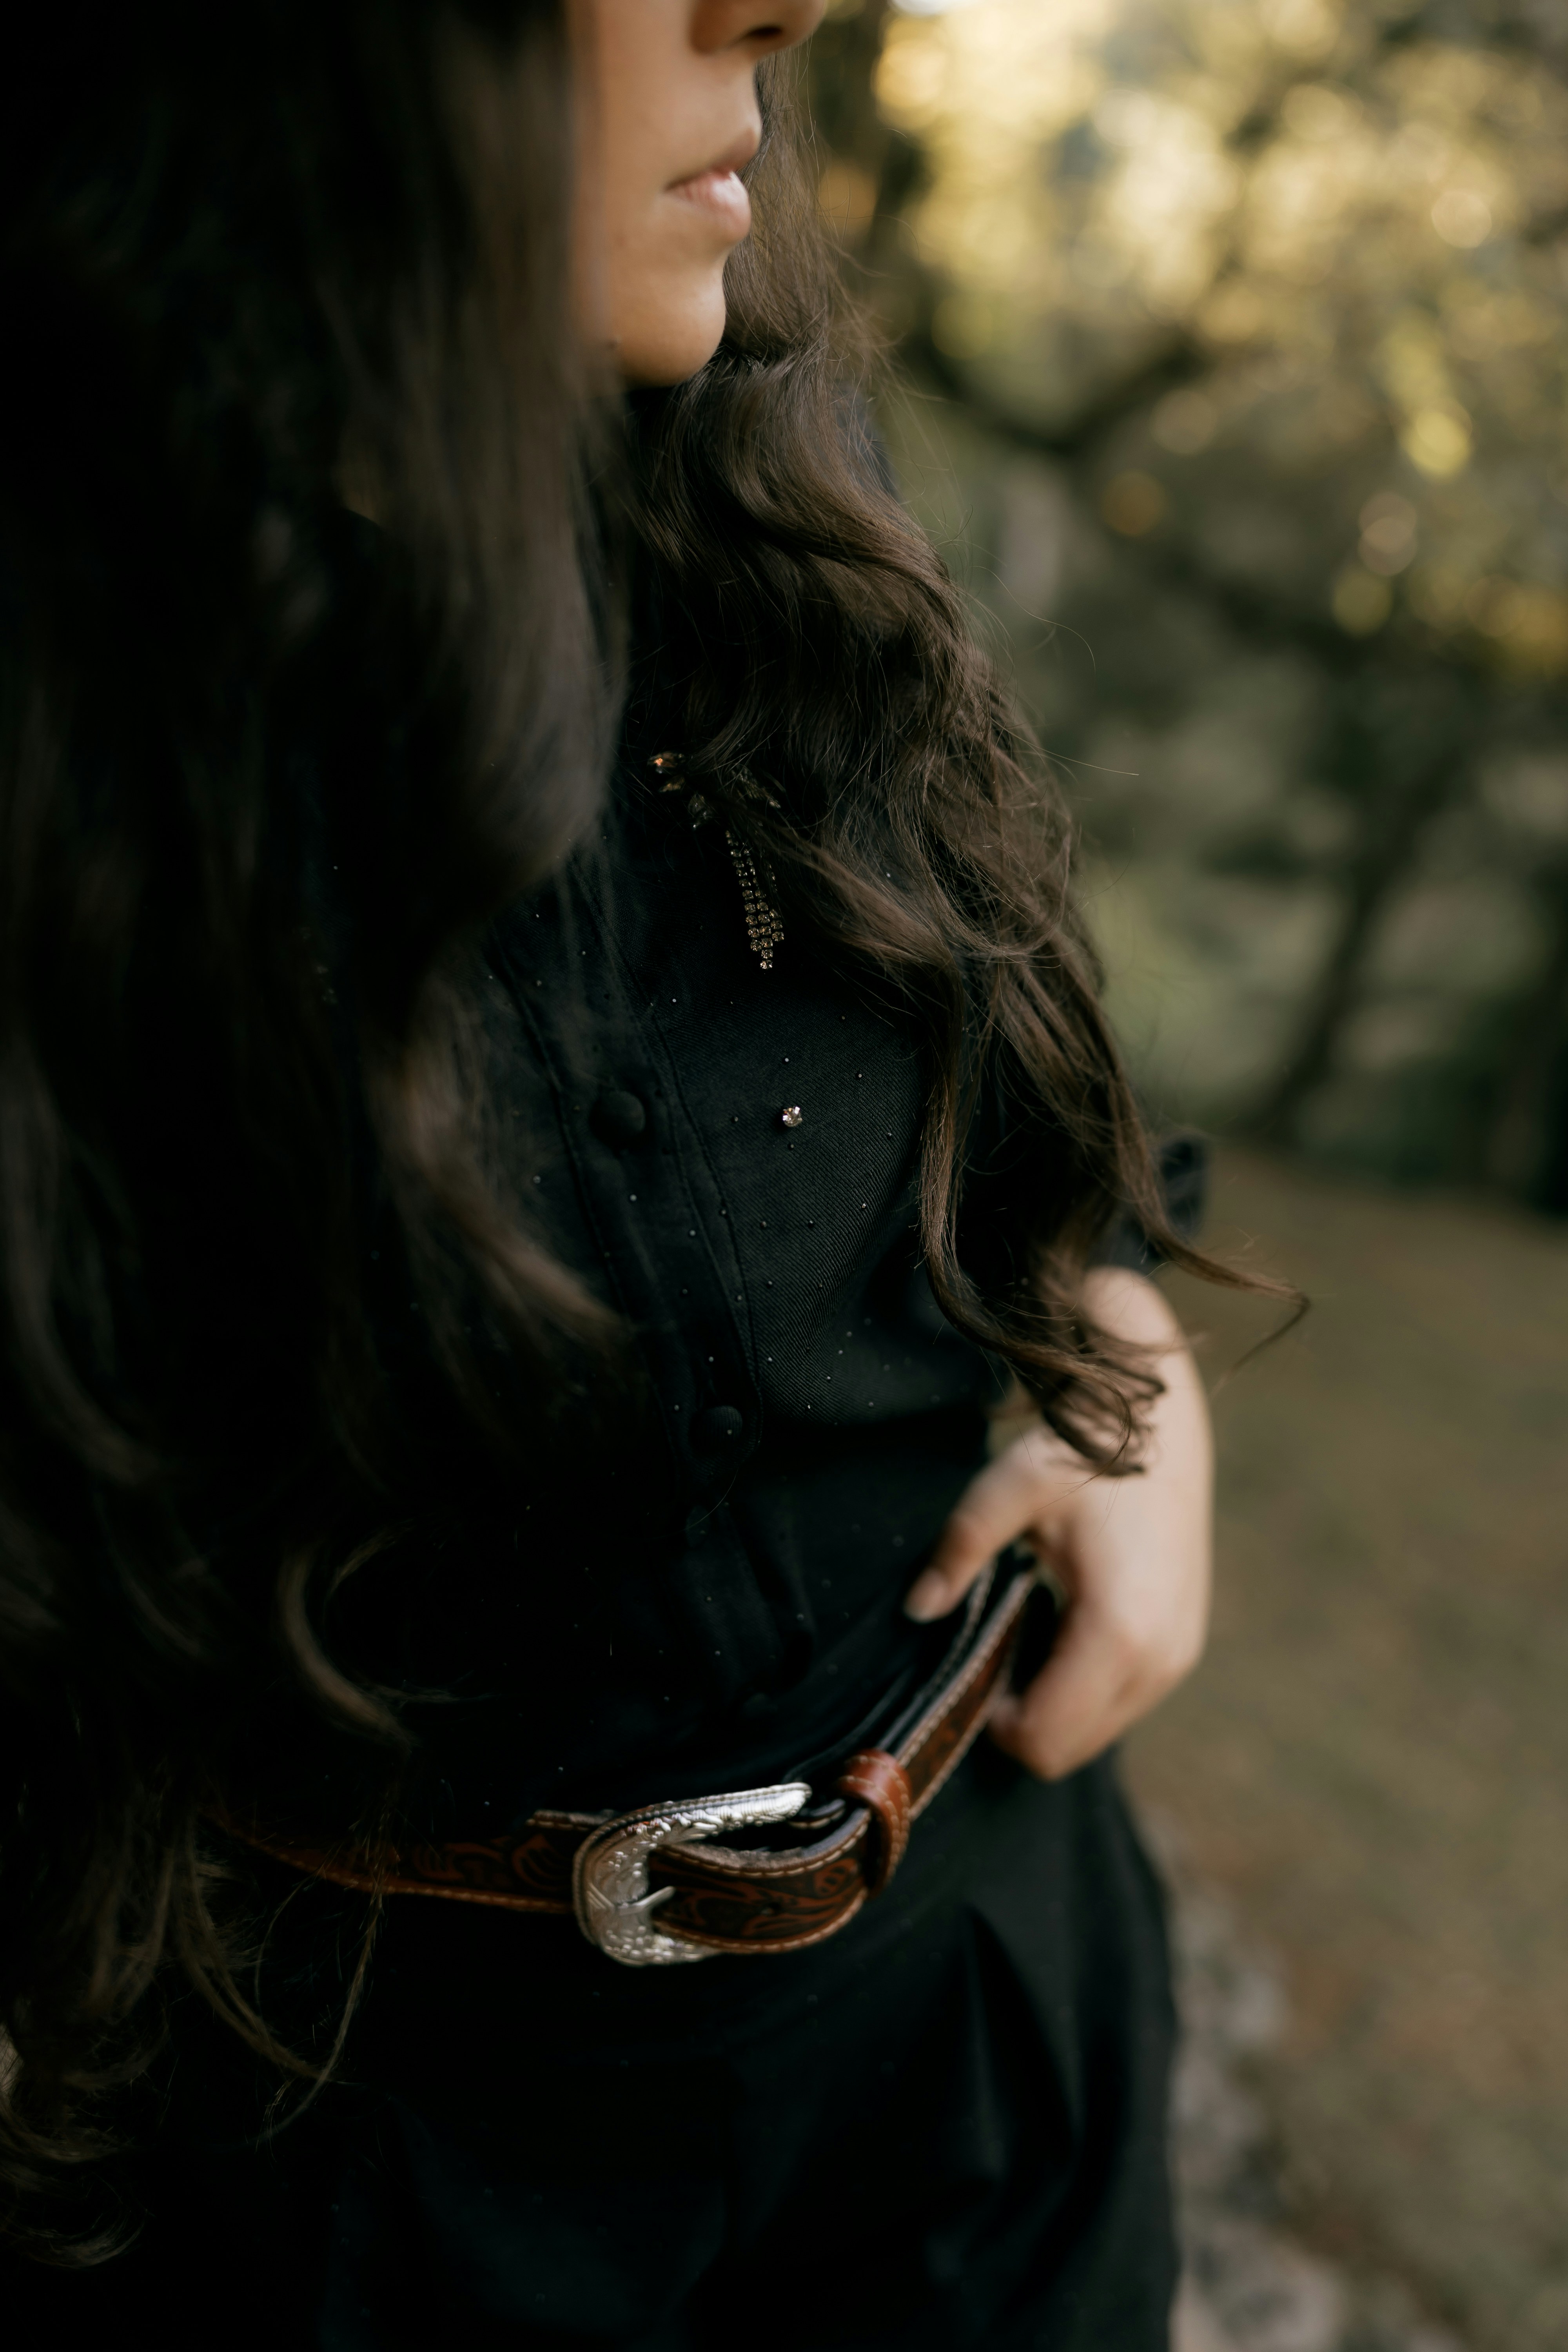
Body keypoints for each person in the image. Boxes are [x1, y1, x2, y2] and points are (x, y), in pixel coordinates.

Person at [0, 4, 1234, 2344]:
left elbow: (1022, 1072)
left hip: (993, 2050)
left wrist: (1123, 1337)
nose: (770, 8)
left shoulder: (785, 484)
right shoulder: (77, 704)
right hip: (368, 2198)